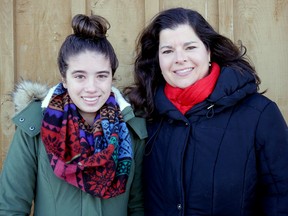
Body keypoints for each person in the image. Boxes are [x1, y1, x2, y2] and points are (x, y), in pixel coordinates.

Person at [124, 7, 288, 216]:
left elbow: (281, 197)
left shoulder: (260, 115)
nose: (179, 58)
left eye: (190, 47)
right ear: (157, 59)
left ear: (208, 51)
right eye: (167, 51)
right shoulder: (145, 116)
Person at [0, 14, 147, 216]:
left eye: (102, 76)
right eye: (80, 76)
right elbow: (11, 207)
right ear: (64, 78)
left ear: (112, 77)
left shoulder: (131, 130)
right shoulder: (36, 127)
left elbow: (137, 207)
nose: (91, 88)